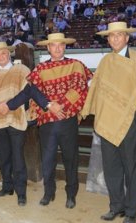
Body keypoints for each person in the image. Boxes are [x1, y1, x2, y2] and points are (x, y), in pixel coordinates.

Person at [81, 22, 136, 223]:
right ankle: (116, 206)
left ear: (127, 38)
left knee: (132, 169)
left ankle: (131, 212)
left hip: (132, 122)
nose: (115, 39)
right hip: (107, 120)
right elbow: (97, 90)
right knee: (111, 168)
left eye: (120, 35)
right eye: (112, 36)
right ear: (108, 39)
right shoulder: (105, 62)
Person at [0, 42, 62, 206]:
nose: (1, 56)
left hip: (15, 118)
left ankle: (21, 192)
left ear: (9, 54)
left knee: (18, 157)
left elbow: (27, 92)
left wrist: (8, 105)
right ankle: (7, 186)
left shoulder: (22, 70)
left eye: (4, 53)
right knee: (3, 156)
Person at [27, 33, 92, 209]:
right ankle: (49, 192)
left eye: (60, 45)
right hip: (48, 121)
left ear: (65, 46)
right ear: (48, 48)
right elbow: (34, 91)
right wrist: (50, 105)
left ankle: (71, 194)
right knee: (47, 159)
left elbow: (80, 88)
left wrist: (61, 106)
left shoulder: (76, 66)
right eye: (53, 45)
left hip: (67, 119)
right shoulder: (40, 69)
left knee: (71, 158)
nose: (57, 48)